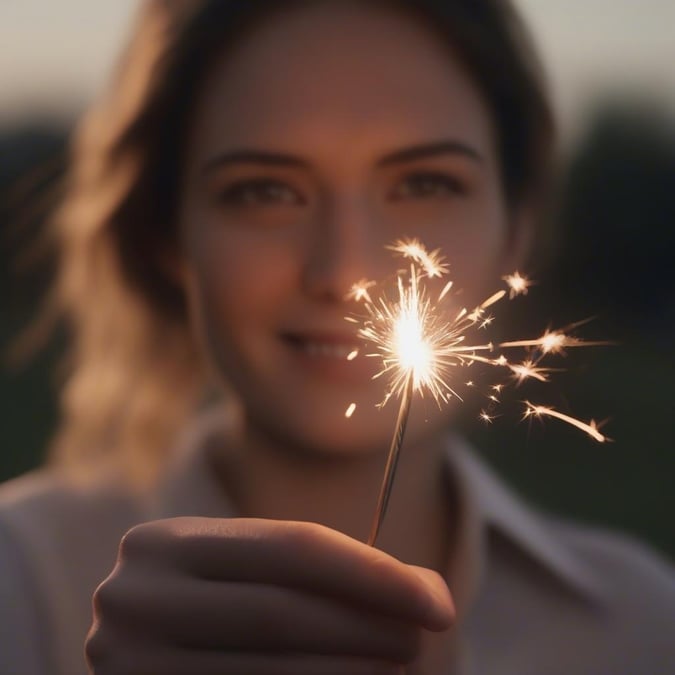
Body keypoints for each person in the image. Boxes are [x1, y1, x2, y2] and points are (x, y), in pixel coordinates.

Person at [1, 1, 673, 674]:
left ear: (515, 228)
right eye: (264, 190)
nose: (344, 270)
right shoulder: (22, 580)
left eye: (424, 182)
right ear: (168, 237)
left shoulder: (639, 624)